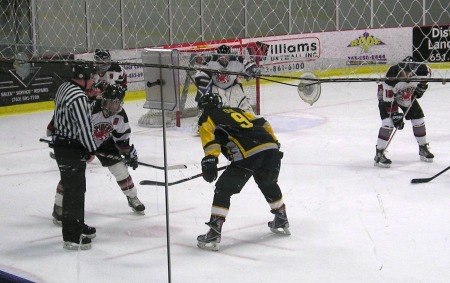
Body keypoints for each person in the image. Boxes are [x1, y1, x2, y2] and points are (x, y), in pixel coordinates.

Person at [196, 92, 290, 251]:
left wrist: (210, 160)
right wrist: (273, 141)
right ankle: (281, 218)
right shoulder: (236, 110)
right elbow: (263, 122)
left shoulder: (207, 117)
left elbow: (211, 142)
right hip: (271, 149)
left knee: (223, 189)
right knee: (267, 182)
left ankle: (214, 232)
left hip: (248, 154)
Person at [51, 84, 145, 226]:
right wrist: (77, 146)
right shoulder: (90, 108)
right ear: (103, 100)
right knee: (72, 174)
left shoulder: (120, 115)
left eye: (116, 103)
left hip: (104, 143)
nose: (113, 106)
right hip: (81, 142)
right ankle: (59, 206)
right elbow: (72, 126)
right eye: (110, 102)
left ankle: (132, 197)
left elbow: (122, 138)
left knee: (120, 169)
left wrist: (129, 153)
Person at [51, 62, 97, 250]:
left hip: (62, 144)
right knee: (74, 192)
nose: (93, 80)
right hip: (71, 148)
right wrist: (91, 149)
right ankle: (72, 236)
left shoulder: (65, 87)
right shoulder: (79, 97)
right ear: (84, 77)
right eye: (91, 77)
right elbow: (85, 127)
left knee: (75, 188)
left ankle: (76, 225)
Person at [374, 56, 433, 168]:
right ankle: (379, 153)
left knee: (418, 119)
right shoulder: (392, 75)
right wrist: (395, 115)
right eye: (403, 72)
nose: (405, 75)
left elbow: (426, 77)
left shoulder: (423, 70)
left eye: (408, 72)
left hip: (406, 95)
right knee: (389, 123)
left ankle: (423, 147)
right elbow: (388, 100)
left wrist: (422, 87)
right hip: (387, 97)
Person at [191, 44, 260, 134]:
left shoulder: (237, 60)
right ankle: (201, 125)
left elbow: (249, 65)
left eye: (225, 55)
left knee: (243, 104)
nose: (223, 57)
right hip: (216, 87)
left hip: (232, 86)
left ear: (229, 54)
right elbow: (200, 72)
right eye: (221, 56)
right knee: (216, 106)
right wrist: (202, 78)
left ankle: (251, 122)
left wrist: (253, 70)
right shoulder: (211, 60)